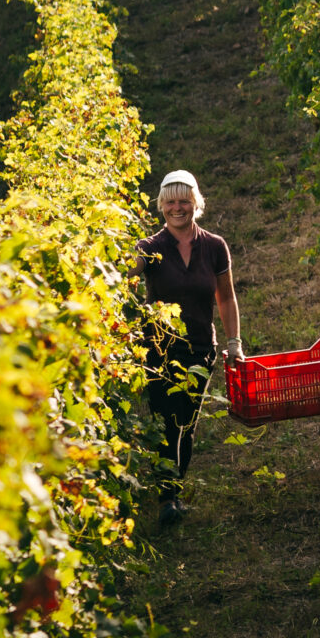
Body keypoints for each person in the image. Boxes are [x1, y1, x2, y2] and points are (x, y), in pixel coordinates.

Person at [139, 169, 239, 524]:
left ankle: (174, 490)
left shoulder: (214, 246)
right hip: (159, 350)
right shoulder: (149, 249)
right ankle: (168, 497)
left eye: (184, 200)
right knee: (166, 419)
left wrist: (234, 342)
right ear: (161, 206)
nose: (177, 208)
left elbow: (225, 298)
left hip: (200, 350)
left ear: (196, 203)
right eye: (170, 202)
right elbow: (126, 281)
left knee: (186, 423)